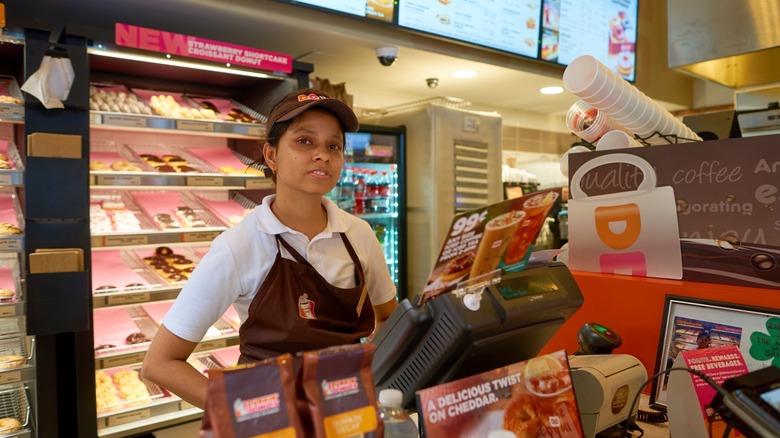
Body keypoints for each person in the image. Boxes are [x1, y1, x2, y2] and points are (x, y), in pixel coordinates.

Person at [141, 88, 399, 409]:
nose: (322, 154)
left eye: (334, 145)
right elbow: (160, 363)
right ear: (271, 155)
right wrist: (241, 413)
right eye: (305, 141)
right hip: (269, 418)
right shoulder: (238, 246)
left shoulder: (358, 234)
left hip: (344, 411)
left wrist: (369, 375)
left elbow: (389, 319)